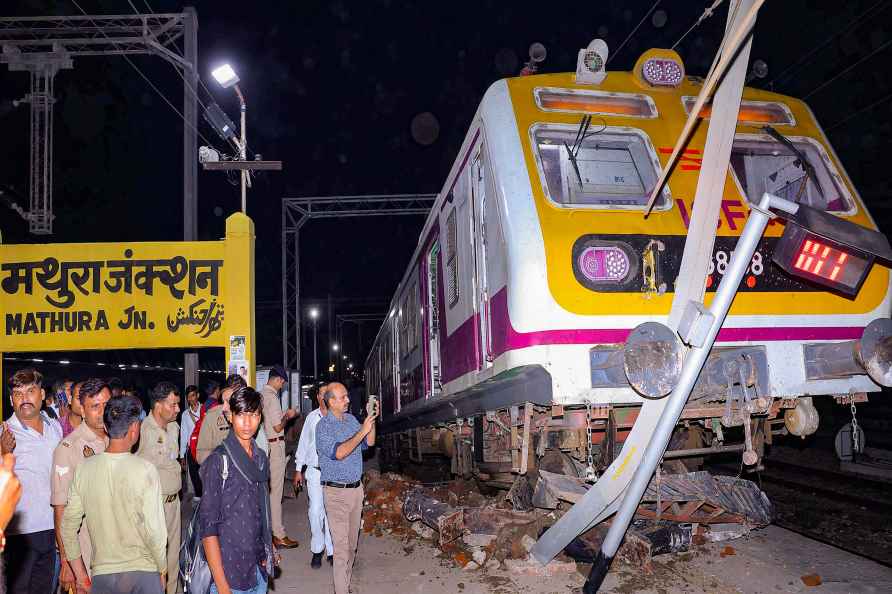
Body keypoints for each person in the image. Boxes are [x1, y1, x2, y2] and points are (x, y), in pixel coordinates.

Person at [61, 395, 167, 594]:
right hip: (143, 574)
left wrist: (81, 575)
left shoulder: (84, 469)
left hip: (103, 576)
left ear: (107, 428)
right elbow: (156, 532)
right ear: (135, 429)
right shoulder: (145, 469)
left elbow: (67, 527)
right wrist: (162, 569)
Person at [200, 387, 275, 594]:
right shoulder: (218, 461)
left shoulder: (260, 458)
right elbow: (208, 529)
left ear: (260, 418)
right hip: (229, 573)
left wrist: (268, 545)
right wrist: (222, 586)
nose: (247, 422)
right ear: (230, 416)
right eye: (241, 414)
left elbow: (261, 510)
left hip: (257, 568)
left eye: (253, 415)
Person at [1, 368, 63, 594]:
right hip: (21, 535)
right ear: (11, 399)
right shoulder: (4, 432)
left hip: (53, 527)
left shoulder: (53, 427)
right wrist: (3, 453)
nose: (24, 398)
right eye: (18, 393)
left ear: (43, 395)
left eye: (30, 391)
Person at [315, 382, 377, 594]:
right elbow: (339, 453)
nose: (348, 400)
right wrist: (361, 432)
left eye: (347, 396)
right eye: (343, 397)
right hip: (336, 494)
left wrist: (370, 420)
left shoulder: (351, 420)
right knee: (341, 550)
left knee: (351, 547)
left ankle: (345, 585)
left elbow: (369, 441)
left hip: (356, 492)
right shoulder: (323, 427)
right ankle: (341, 590)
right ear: (331, 401)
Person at [52, 377, 111, 591]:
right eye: (95, 406)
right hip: (86, 556)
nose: (102, 411)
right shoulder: (68, 449)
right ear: (83, 411)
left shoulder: (117, 440)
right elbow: (60, 509)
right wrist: (67, 563)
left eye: (106, 404)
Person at [137, 382, 182, 594]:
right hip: (154, 506)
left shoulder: (173, 426)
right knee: (155, 563)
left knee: (173, 558)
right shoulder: (142, 432)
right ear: (158, 405)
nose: (177, 409)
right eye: (173, 405)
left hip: (175, 504)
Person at [293, 384, 334, 568]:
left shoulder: (337, 416)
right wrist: (297, 469)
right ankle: (317, 550)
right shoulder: (311, 418)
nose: (325, 395)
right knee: (315, 511)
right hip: (314, 472)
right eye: (322, 393)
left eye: (328, 393)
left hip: (334, 472)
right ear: (317, 396)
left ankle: (332, 551)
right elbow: (303, 444)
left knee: (331, 512)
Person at [261, 365, 299, 550]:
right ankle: (278, 534)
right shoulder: (272, 397)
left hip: (267, 444)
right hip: (275, 444)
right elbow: (277, 427)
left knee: (269, 492)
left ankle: (268, 532)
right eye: (282, 381)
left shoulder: (262, 394)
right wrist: (289, 416)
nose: (282, 385)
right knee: (276, 493)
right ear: (277, 379)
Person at [180, 385, 202, 497]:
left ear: (197, 395)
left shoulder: (205, 411)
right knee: (194, 476)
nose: (190, 399)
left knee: (205, 475)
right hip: (191, 451)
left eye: (193, 395)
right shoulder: (185, 414)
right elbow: (183, 434)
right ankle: (198, 497)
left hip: (203, 448)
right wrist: (182, 455)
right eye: (188, 397)